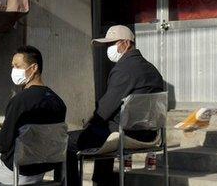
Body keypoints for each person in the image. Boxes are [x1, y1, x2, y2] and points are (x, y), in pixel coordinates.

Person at [67, 25, 164, 186]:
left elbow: (104, 110)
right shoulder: (152, 70)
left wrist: (88, 125)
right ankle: (101, 181)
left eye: (111, 44)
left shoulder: (123, 69)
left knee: (66, 141)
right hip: (150, 134)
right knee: (103, 130)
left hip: (126, 134)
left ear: (126, 43)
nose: (108, 49)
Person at [0, 46, 67, 185]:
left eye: (18, 66)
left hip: (16, 171)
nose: (14, 71)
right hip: (40, 172)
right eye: (12, 66)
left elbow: (2, 145)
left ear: (34, 68)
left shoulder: (20, 101)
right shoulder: (58, 101)